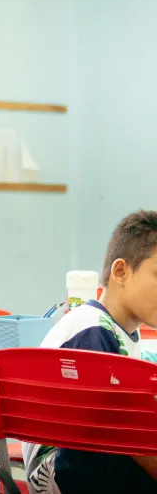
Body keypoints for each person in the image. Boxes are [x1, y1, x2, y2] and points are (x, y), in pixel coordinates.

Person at [24, 210, 157, 493]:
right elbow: (120, 432)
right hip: (64, 469)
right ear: (120, 271)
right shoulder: (93, 330)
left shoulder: (120, 333)